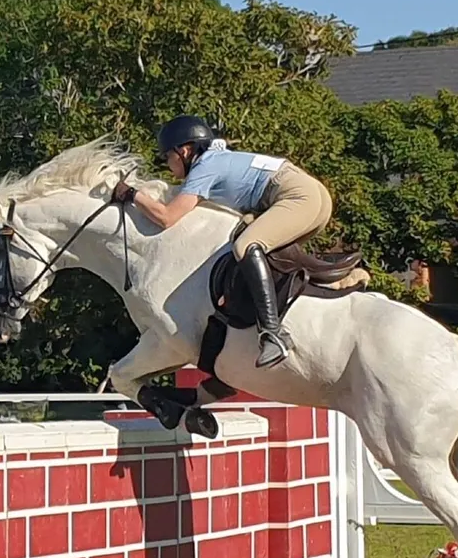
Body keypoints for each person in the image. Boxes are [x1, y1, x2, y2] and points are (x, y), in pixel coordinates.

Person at [113, 115, 333, 368]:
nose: (168, 164)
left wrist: (132, 194)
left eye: (168, 156)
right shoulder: (217, 160)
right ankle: (331, 281)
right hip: (312, 195)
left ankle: (273, 333)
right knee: (262, 250)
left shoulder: (204, 167)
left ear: (184, 151)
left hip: (296, 195)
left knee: (245, 246)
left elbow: (167, 217)